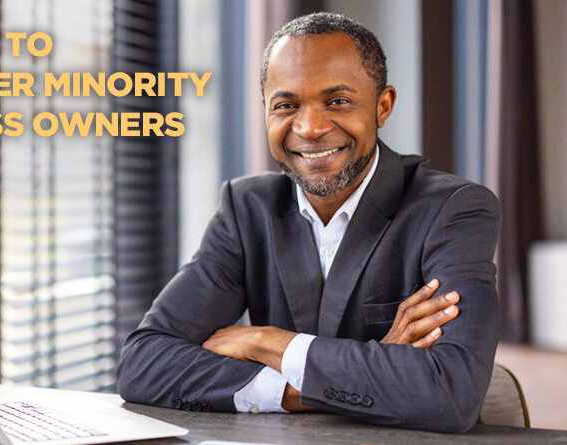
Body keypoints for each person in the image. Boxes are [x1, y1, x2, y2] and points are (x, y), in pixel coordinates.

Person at [116, 12, 501, 434]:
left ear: (382, 105)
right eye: (287, 105)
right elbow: (144, 364)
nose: (310, 128)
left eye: (337, 101)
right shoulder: (246, 208)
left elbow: (450, 393)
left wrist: (264, 342)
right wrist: (320, 383)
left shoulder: (455, 209)